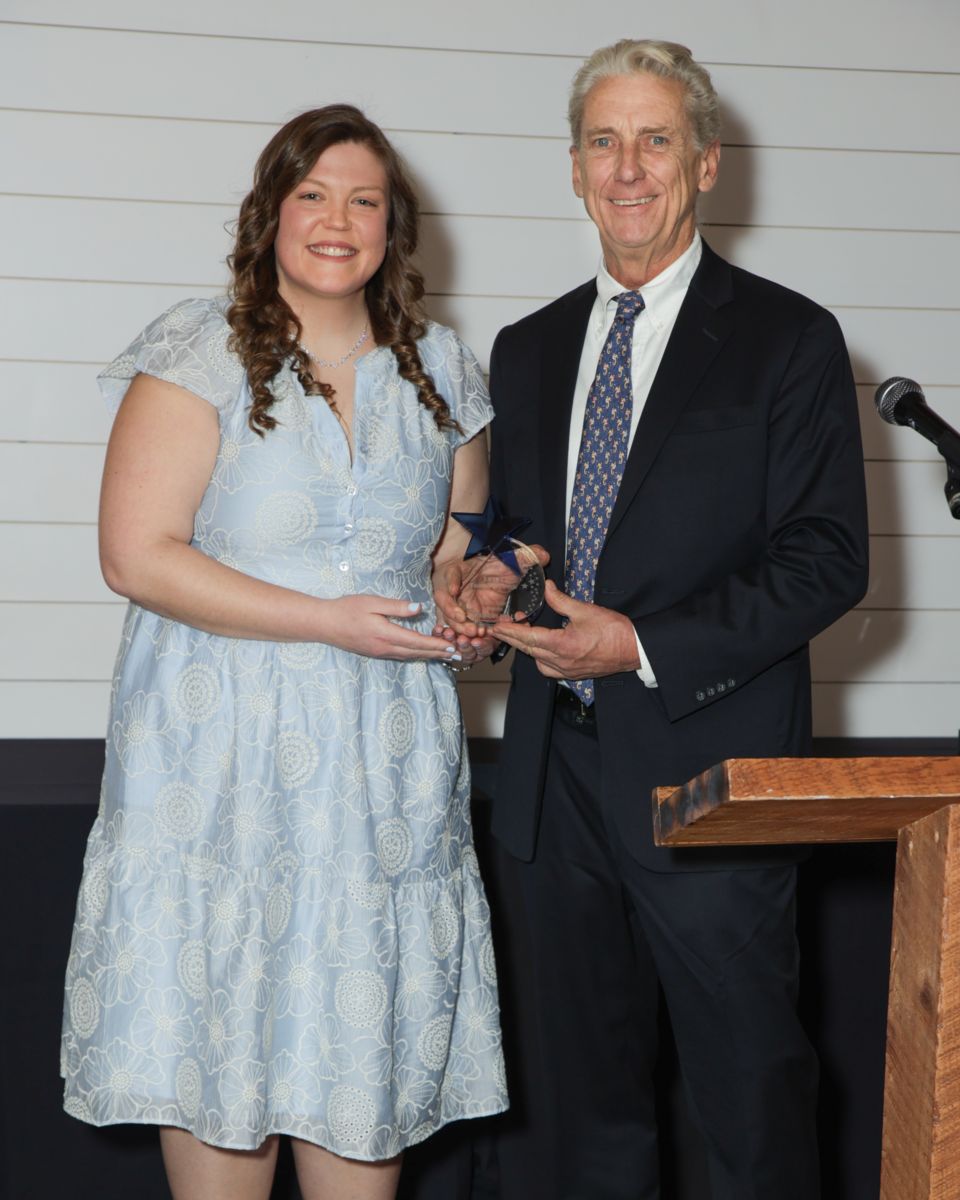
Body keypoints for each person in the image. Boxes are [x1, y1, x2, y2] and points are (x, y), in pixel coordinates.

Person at [436, 38, 868, 1200]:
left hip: (710, 783)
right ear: (575, 169)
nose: (627, 167)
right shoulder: (527, 348)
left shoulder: (790, 339)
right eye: (603, 141)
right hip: (553, 784)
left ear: (707, 162)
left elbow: (827, 561)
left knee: (749, 1113)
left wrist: (635, 645)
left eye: (656, 140)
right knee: (589, 1123)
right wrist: (491, 576)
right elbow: (531, 531)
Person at [60, 105, 507, 1200]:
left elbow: (454, 544)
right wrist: (325, 620)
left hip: (382, 779)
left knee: (360, 1080)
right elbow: (134, 555)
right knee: (222, 1059)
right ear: (271, 213)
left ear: (393, 226)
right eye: (312, 195)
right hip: (217, 774)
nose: (336, 220)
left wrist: (466, 593)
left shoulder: (445, 369)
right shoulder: (199, 350)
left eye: (364, 200)